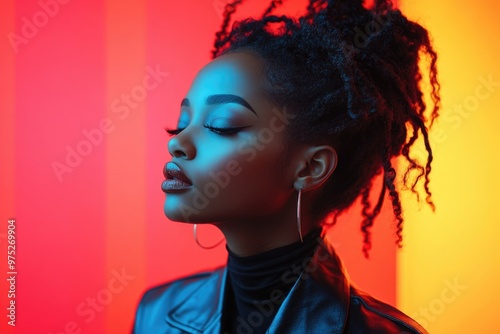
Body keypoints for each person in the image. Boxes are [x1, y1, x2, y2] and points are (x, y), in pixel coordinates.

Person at [133, 0, 440, 332]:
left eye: (221, 125)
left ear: (310, 168)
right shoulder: (156, 314)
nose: (177, 143)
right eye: (180, 124)